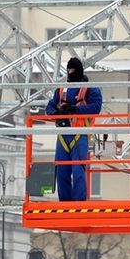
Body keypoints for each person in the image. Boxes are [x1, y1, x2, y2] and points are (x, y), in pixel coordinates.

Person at [45, 57, 103, 201]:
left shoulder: (91, 89)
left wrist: (74, 109)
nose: (70, 72)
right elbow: (49, 107)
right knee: (61, 170)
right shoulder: (61, 89)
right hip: (63, 135)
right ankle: (65, 201)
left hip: (80, 135)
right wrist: (57, 113)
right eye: (69, 70)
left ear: (79, 71)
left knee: (78, 170)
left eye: (73, 70)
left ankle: (78, 201)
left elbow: (95, 107)